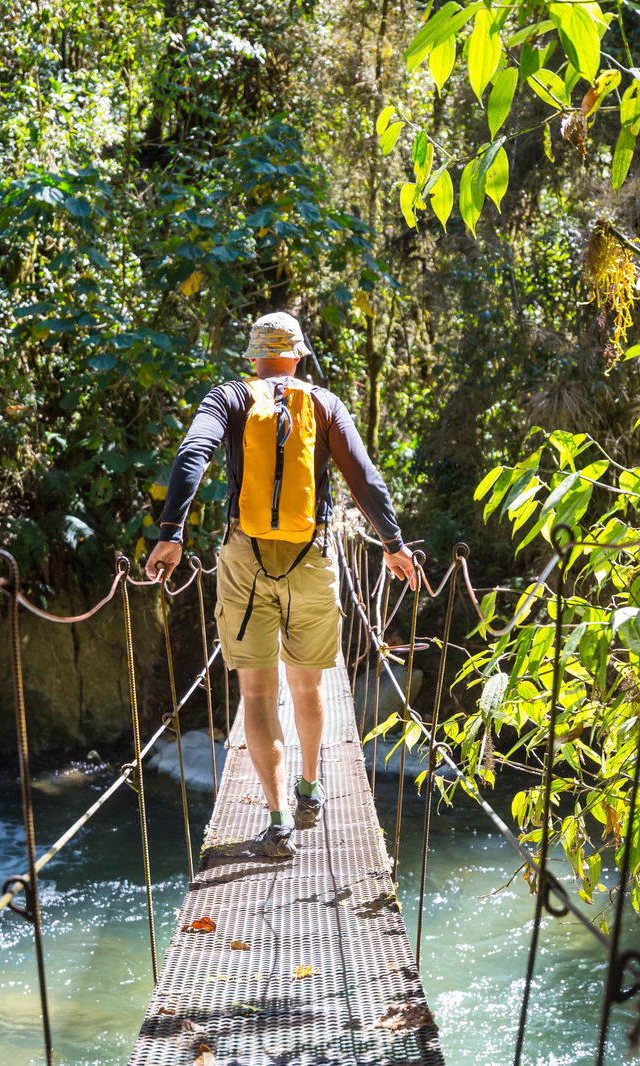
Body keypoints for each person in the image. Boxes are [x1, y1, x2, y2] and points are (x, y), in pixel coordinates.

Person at [144, 311, 418, 859]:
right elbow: (362, 475)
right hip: (311, 558)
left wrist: (172, 533)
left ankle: (277, 821)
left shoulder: (228, 397)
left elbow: (192, 455)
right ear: (298, 356)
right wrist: (393, 544)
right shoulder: (324, 403)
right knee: (310, 687)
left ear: (252, 357)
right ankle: (311, 788)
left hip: (245, 559)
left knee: (257, 693)